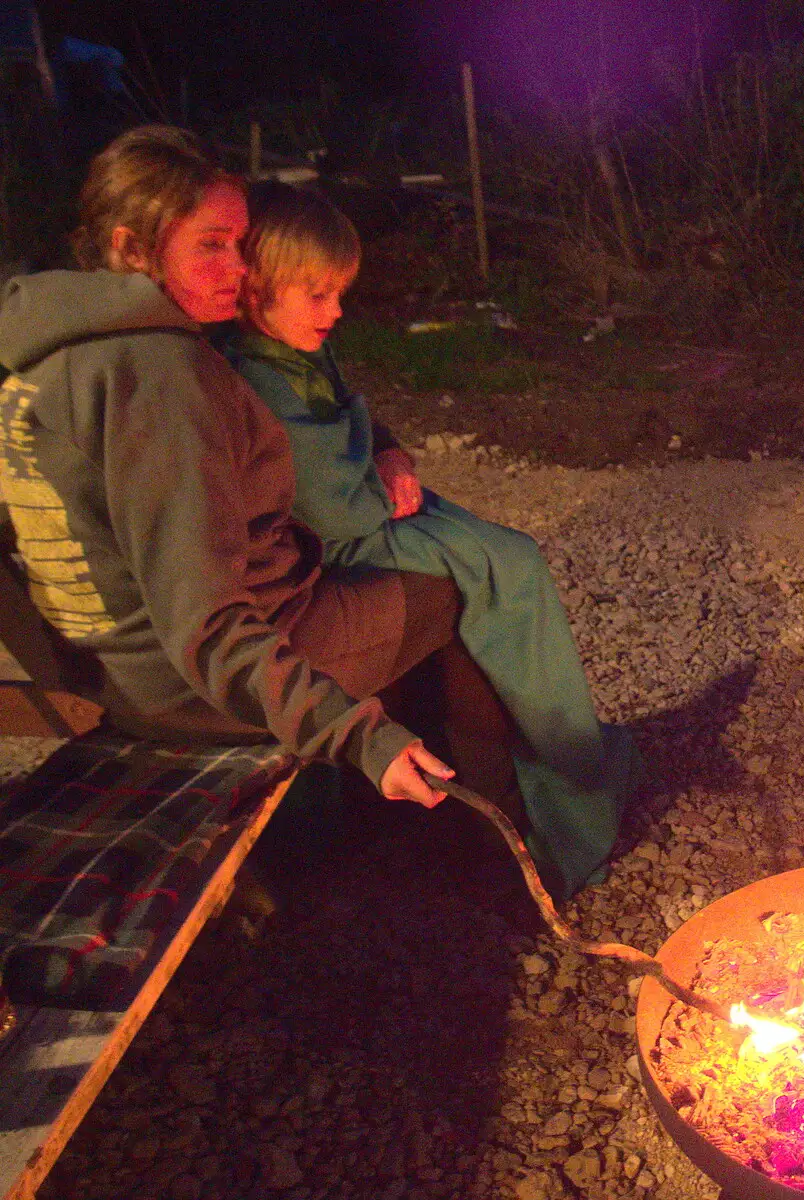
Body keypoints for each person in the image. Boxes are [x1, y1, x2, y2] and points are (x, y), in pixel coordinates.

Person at [0, 126, 564, 890]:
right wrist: (359, 737)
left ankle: (373, 816)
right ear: (134, 247)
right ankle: (487, 828)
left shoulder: (32, 350)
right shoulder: (160, 374)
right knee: (456, 588)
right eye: (212, 245)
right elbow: (208, 627)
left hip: (108, 669)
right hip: (190, 691)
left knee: (374, 577)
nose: (238, 266)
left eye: (240, 244)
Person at [219, 181, 640, 901]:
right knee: (498, 573)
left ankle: (557, 778)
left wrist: (391, 454)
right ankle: (548, 791)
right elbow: (337, 508)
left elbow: (357, 434)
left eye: (339, 292)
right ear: (257, 285)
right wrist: (375, 470)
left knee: (508, 559)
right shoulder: (251, 377)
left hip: (367, 515)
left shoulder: (294, 356)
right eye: (317, 294)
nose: (337, 311)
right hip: (327, 555)